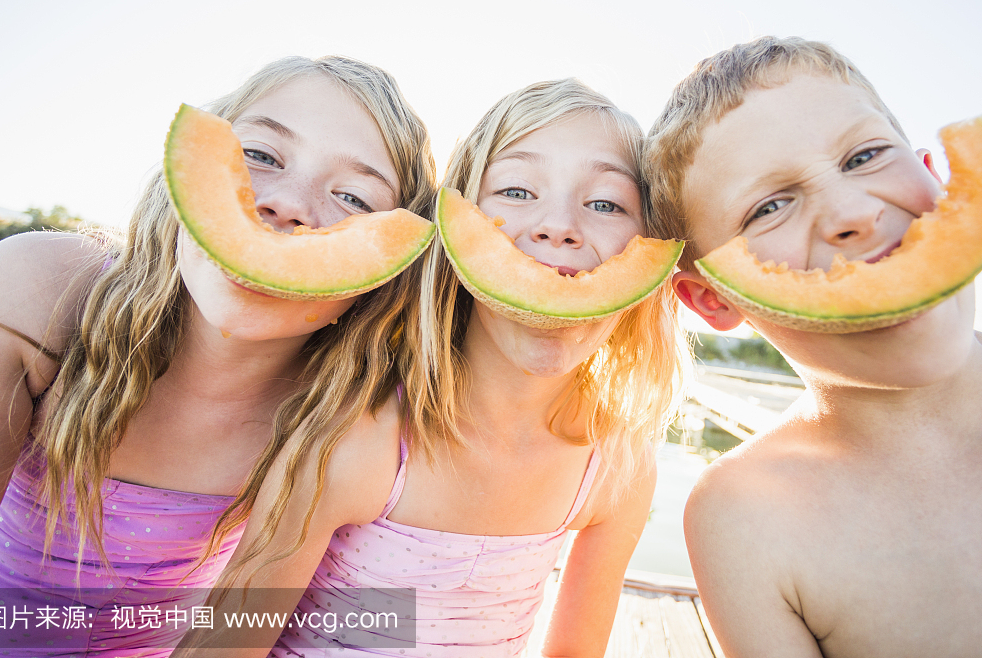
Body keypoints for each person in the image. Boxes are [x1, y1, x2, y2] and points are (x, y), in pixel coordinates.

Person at [644, 36, 982, 657]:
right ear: (713, 300)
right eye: (770, 206)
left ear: (933, 175)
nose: (851, 212)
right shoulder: (741, 516)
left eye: (864, 156)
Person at [180, 78, 688, 657]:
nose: (560, 226)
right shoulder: (358, 440)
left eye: (605, 203)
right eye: (518, 190)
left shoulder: (618, 466)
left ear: (649, 246)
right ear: (457, 223)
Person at [0, 55, 436, 656]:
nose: (286, 205)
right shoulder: (36, 294)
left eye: (354, 197)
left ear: (388, 270)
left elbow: (335, 621)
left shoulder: (347, 422)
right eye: (259, 156)